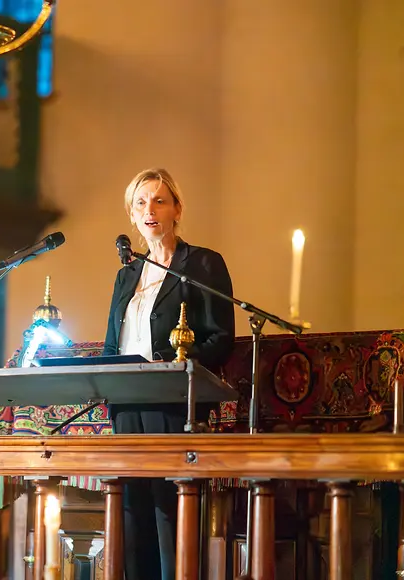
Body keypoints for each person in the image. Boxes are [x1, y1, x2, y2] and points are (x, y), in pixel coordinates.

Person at [102, 167, 235, 580]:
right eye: (140, 203)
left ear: (177, 208)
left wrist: (178, 362)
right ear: (132, 215)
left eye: (159, 200)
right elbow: (111, 346)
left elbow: (221, 338)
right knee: (132, 517)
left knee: (168, 516)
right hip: (127, 407)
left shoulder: (202, 263)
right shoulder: (126, 274)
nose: (150, 210)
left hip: (174, 404)